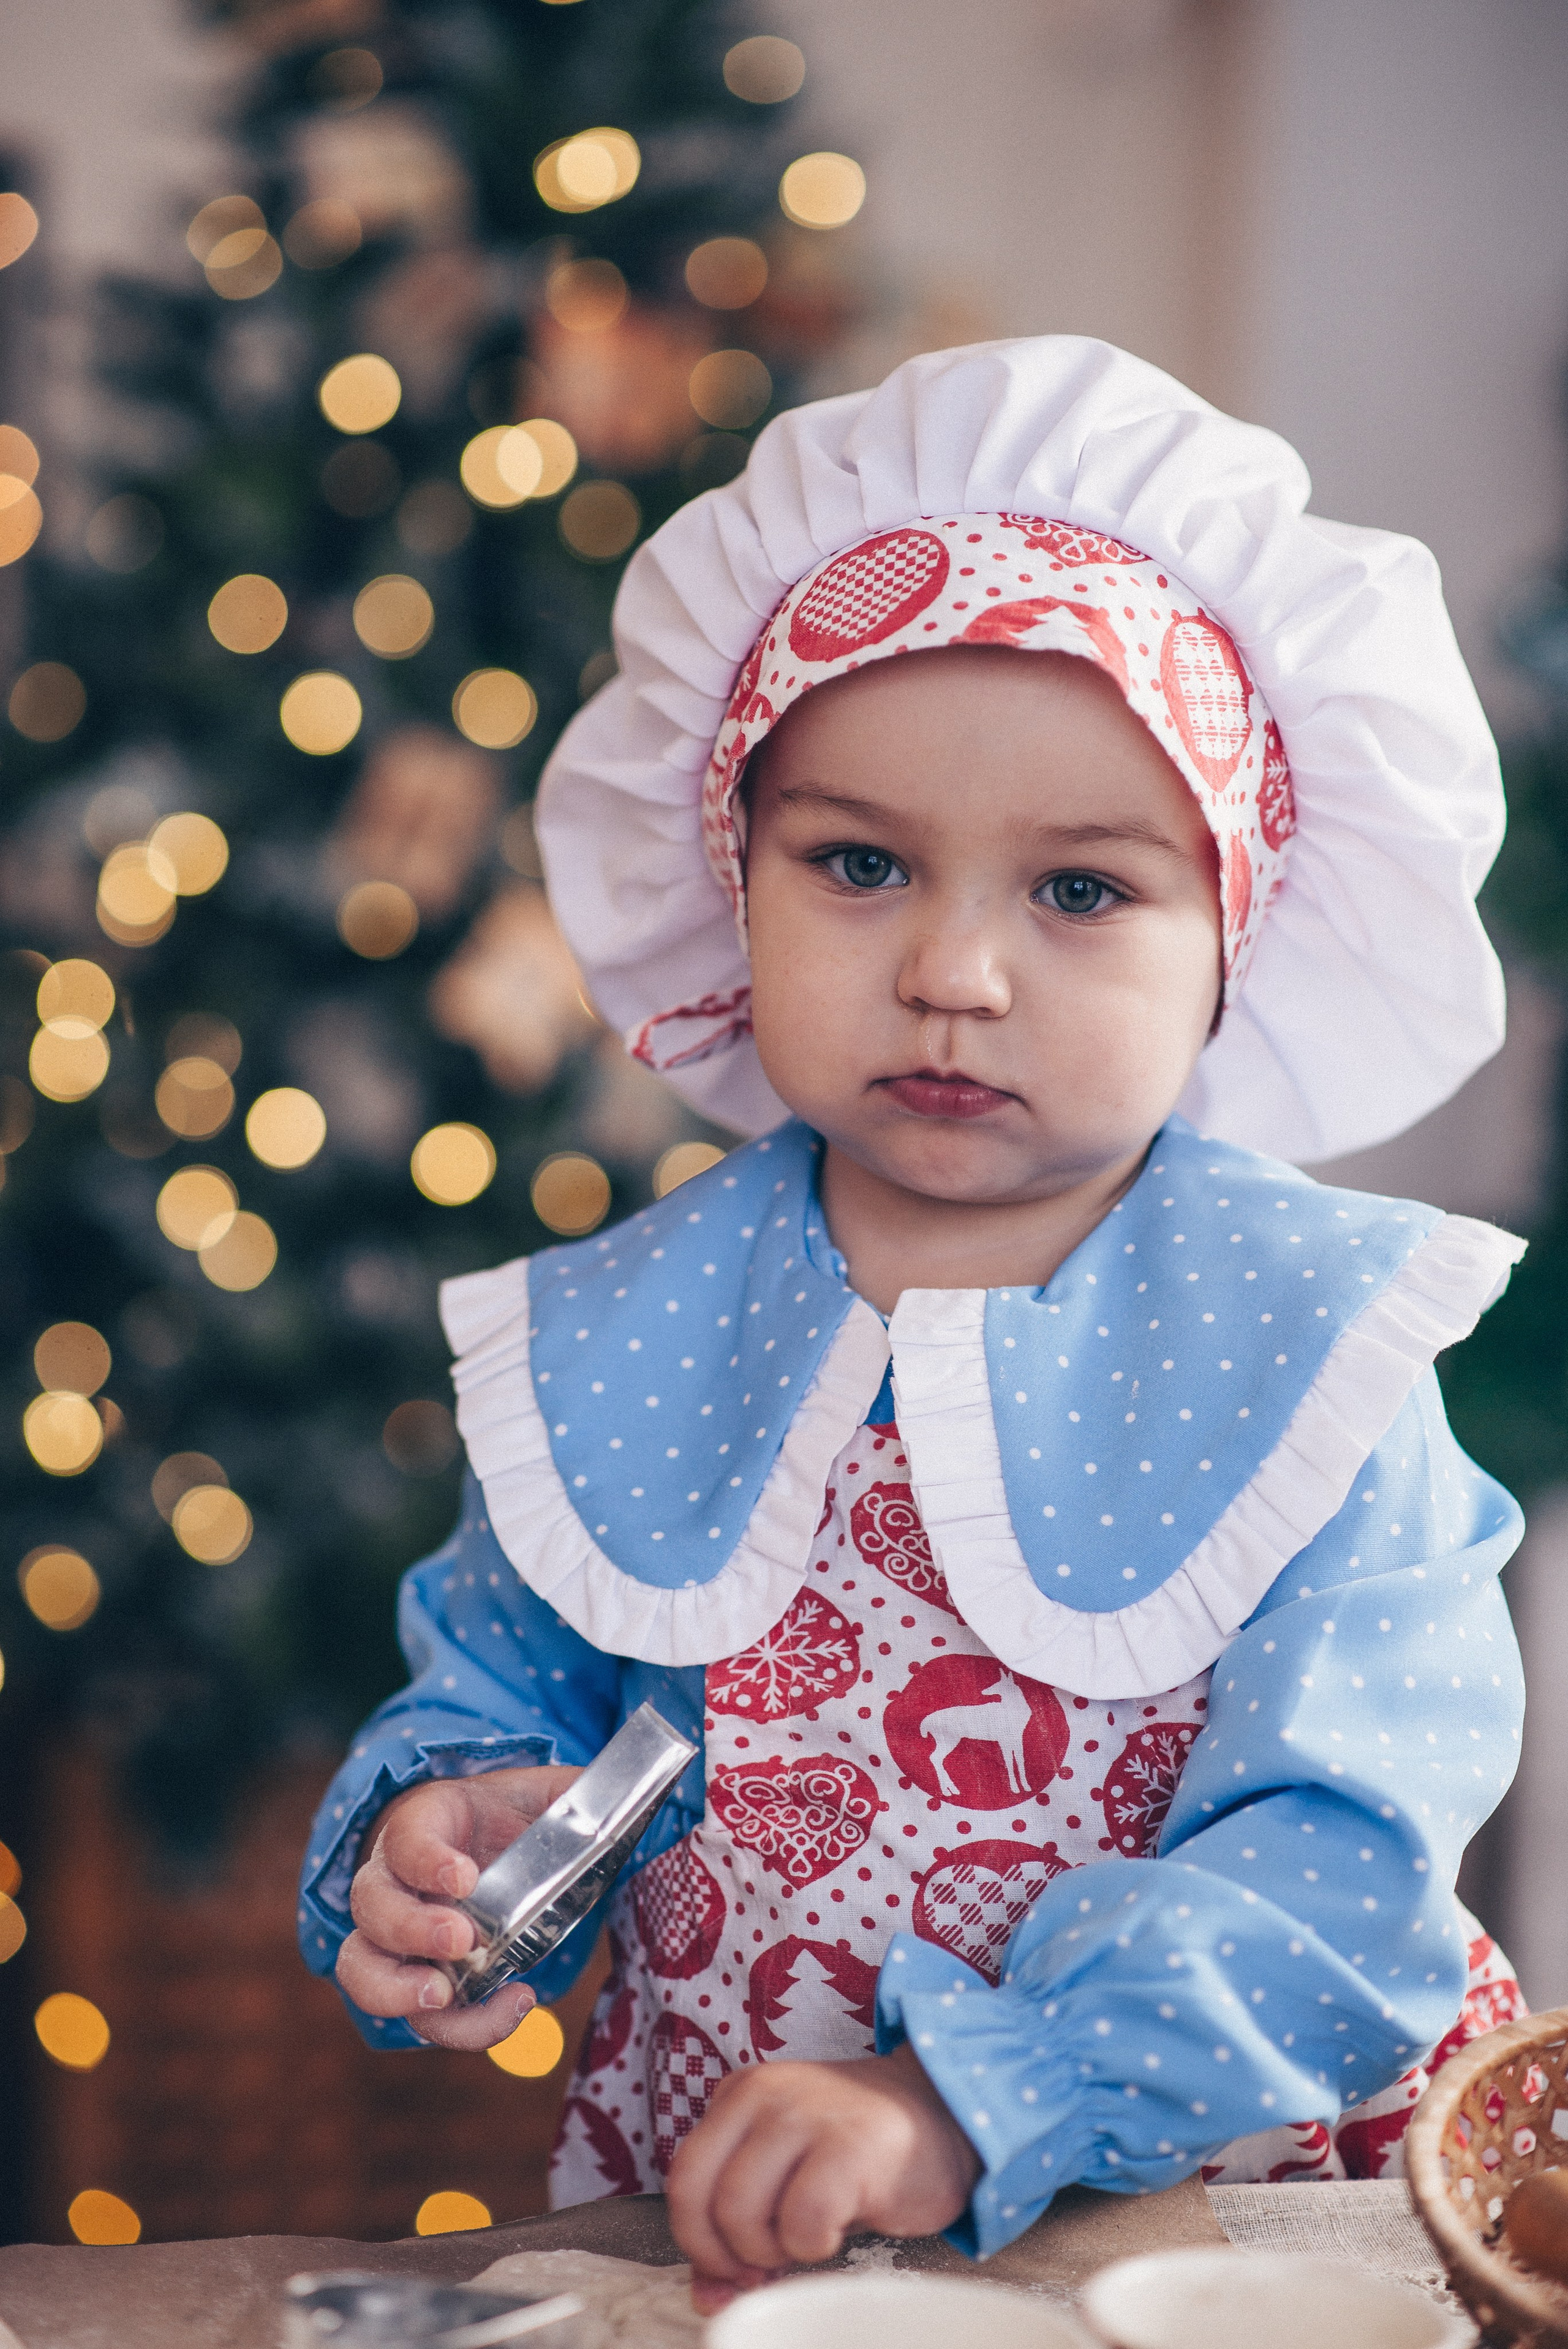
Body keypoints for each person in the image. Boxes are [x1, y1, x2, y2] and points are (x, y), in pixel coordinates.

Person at [299, 337, 1528, 2301]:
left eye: (1081, 889)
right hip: (741, 2243)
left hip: (1217, 2243)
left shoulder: (1315, 1348)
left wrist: (973, 2088)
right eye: (859, 863)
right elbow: (501, 1688)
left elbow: (1345, 1866)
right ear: (734, 870)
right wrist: (435, 1841)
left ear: (1238, 935)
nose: (953, 968)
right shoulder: (628, 1331)